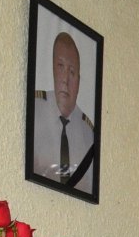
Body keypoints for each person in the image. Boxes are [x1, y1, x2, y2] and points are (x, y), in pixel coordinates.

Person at [31, 31, 96, 192]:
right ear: (53, 69)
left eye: (72, 72)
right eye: (60, 67)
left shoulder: (89, 134)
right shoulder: (35, 110)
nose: (65, 80)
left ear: (79, 82)